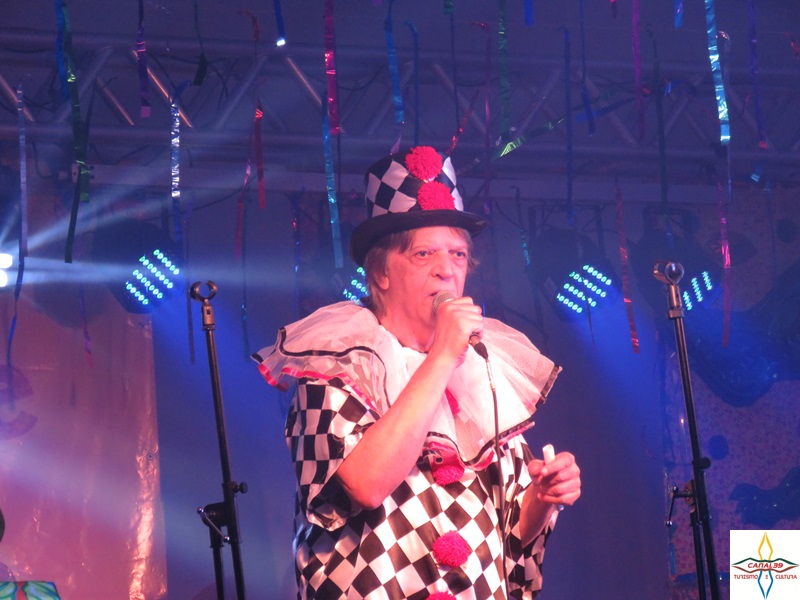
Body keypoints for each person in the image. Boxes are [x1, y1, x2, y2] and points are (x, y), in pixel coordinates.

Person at [253, 146, 581, 599]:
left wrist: (541, 500)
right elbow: (364, 484)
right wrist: (441, 357)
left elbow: (510, 538)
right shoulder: (337, 366)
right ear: (381, 273)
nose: (447, 270)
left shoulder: (482, 368)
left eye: (458, 255)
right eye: (424, 254)